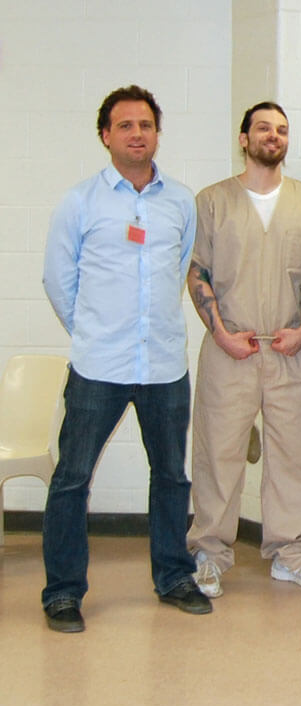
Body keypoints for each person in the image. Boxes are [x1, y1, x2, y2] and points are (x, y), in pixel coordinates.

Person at [40, 85, 210, 632]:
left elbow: (179, 266)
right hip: (99, 367)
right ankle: (63, 593)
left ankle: (174, 578)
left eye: (146, 125)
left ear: (157, 133)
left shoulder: (180, 201)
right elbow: (57, 279)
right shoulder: (80, 202)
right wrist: (92, 331)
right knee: (71, 479)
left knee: (170, 477)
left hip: (163, 365)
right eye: (126, 126)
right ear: (106, 135)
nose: (137, 134)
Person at [186, 101, 301, 596]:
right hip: (229, 346)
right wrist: (219, 333)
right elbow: (197, 272)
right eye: (263, 129)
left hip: (290, 346)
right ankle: (209, 553)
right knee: (219, 454)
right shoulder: (211, 201)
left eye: (281, 130)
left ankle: (289, 551)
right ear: (243, 138)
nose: (272, 136)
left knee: (295, 455)